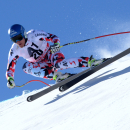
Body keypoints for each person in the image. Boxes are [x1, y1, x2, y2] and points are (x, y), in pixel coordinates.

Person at [6, 24, 105, 89]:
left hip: (50, 53)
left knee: (59, 65)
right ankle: (57, 76)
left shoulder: (34, 34)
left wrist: (56, 45)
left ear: (23, 34)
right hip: (40, 63)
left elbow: (53, 37)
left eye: (19, 38)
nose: (18, 42)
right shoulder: (14, 49)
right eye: (14, 40)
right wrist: (10, 79)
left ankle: (90, 62)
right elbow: (10, 67)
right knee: (25, 67)